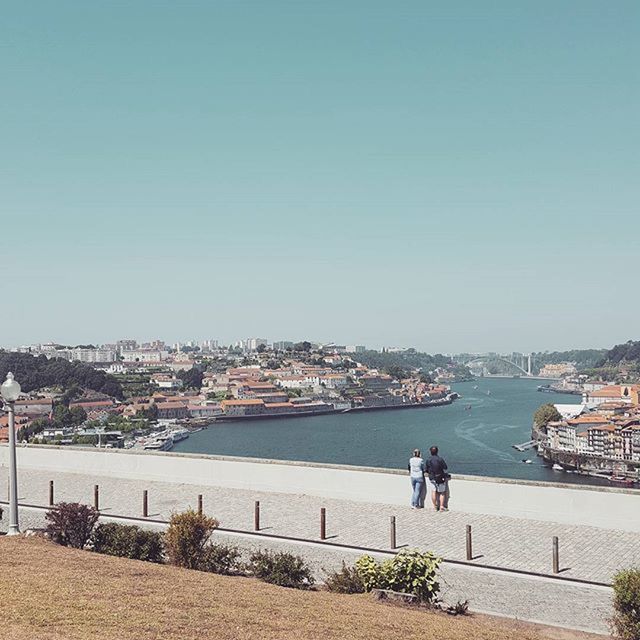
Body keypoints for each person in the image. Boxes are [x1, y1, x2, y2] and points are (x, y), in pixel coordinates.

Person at [426, 445, 449, 511]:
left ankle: (435, 507)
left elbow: (426, 469)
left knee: (433, 491)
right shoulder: (440, 459)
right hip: (440, 478)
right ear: (437, 452)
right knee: (442, 492)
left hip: (432, 477)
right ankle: (441, 506)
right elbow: (445, 467)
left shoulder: (428, 459)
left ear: (430, 452)